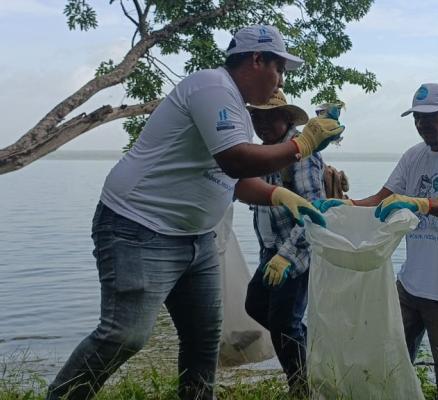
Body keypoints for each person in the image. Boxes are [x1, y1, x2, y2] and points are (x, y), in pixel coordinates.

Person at [46, 25, 344, 400]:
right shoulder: (212, 87)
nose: (279, 79)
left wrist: (280, 195)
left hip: (197, 238)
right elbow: (235, 161)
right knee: (125, 334)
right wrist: (305, 143)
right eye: (279, 68)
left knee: (203, 339)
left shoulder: (233, 107)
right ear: (256, 59)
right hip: (139, 226)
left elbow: (229, 180)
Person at [317, 83, 438, 400]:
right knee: (388, 364)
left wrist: (422, 203)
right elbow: (382, 200)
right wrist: (345, 205)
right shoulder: (413, 156)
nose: (422, 125)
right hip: (409, 288)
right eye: (417, 119)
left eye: (429, 117)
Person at [242, 90, 322, 395]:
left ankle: (302, 389)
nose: (261, 122)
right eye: (255, 116)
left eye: (268, 116)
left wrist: (287, 256)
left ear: (286, 117)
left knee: (284, 324)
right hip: (271, 250)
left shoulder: (300, 153)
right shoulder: (264, 152)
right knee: (256, 305)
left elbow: (312, 212)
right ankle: (309, 360)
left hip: (296, 252)